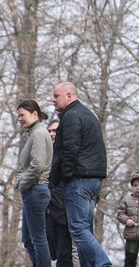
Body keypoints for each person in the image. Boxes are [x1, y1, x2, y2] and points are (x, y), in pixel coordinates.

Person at [49, 82, 111, 267]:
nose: (53, 100)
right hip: (93, 179)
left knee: (77, 229)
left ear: (69, 96)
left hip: (79, 179)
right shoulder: (88, 115)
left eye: (56, 96)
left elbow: (70, 149)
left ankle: (102, 264)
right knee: (85, 229)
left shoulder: (71, 116)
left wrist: (65, 176)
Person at [15, 100, 53, 267]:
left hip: (36, 190)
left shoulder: (38, 134)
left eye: (22, 115)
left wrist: (22, 182)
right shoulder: (34, 133)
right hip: (32, 191)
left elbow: (37, 165)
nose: (20, 119)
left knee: (38, 239)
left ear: (35, 114)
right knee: (28, 239)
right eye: (18, 116)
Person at [46, 119, 80, 267]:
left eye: (55, 131)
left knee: (69, 251)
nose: (52, 134)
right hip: (49, 207)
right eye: (50, 131)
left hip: (66, 207)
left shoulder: (70, 151)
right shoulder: (45, 152)